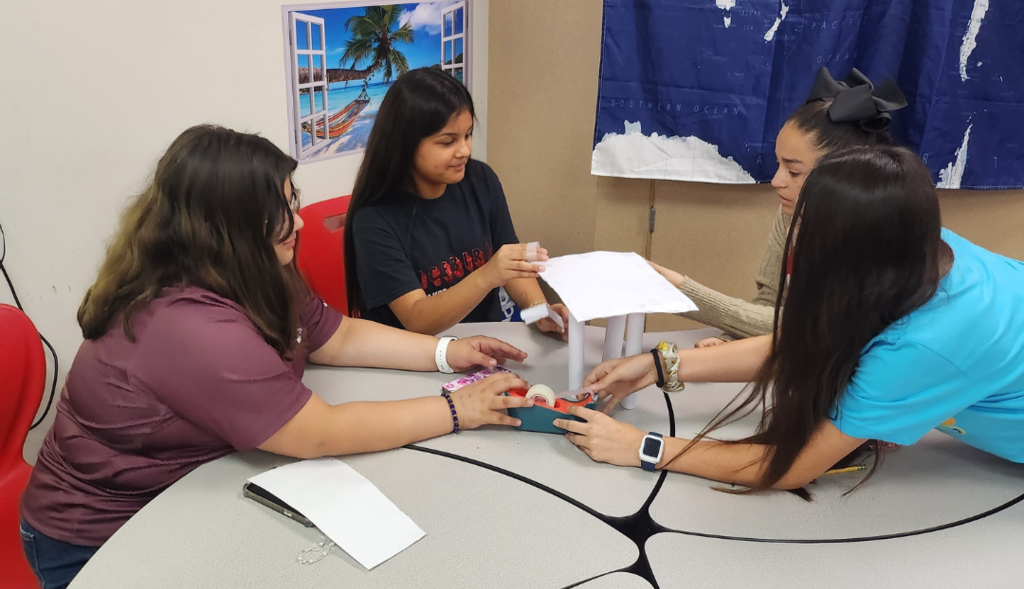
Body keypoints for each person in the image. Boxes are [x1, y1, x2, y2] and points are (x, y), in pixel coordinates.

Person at [20, 126, 532, 589]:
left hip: (195, 487)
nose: (300, 221)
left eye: (294, 201)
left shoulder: (252, 265)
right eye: (284, 208)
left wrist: (447, 353)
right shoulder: (187, 326)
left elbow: (336, 334)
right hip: (97, 538)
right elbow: (318, 432)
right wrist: (457, 408)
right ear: (231, 224)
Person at [554, 146, 1024, 490]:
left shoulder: (927, 345)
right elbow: (814, 340)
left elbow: (792, 466)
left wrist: (641, 446)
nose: (794, 235)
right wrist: (658, 365)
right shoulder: (914, 246)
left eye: (804, 227)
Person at [651, 67, 907, 346]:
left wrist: (680, 290)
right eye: (778, 164)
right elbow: (770, 301)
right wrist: (730, 339)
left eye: (794, 172)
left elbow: (811, 328)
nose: (776, 181)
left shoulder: (873, 240)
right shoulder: (791, 215)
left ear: (844, 176)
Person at [345, 67, 568, 338]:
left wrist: (539, 313)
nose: (464, 150)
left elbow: (512, 269)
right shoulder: (375, 219)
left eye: (468, 135)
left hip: (485, 346)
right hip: (415, 357)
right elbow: (417, 319)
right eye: (448, 142)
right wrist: (487, 275)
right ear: (404, 145)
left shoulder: (481, 181)